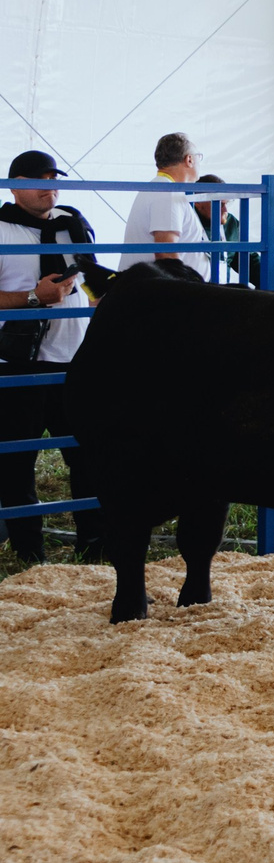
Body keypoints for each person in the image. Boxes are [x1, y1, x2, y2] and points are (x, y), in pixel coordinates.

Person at [0, 151, 106, 563]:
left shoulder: (71, 223)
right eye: (38, 178)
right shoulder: (1, 230)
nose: (49, 186)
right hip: (18, 364)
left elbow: (91, 275)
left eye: (53, 177)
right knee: (16, 463)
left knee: (87, 457)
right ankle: (30, 555)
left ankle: (95, 549)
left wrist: (98, 301)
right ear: (14, 184)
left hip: (75, 359)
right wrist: (33, 297)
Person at [118, 132, 209, 279]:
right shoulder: (167, 193)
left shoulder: (160, 188)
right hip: (160, 293)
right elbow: (165, 252)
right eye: (199, 157)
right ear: (189, 160)